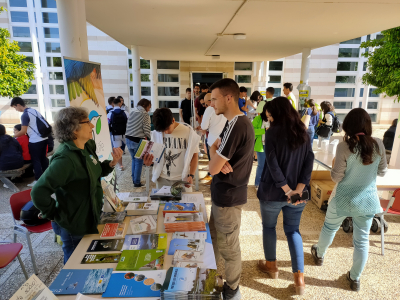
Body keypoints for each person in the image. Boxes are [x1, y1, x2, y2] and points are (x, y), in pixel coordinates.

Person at [31, 106, 123, 263]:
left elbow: (96, 171)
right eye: (87, 122)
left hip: (90, 218)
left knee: (88, 263)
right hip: (74, 226)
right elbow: (38, 192)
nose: (92, 126)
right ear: (74, 129)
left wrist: (113, 163)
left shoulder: (88, 146)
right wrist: (54, 213)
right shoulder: (65, 160)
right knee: (75, 268)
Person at [311, 108, 387, 292]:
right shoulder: (379, 145)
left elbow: (336, 178)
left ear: (347, 126)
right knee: (361, 241)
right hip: (367, 202)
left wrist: (337, 161)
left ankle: (319, 254)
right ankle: (355, 278)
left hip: (343, 199)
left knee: (330, 228)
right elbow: (382, 172)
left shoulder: (344, 146)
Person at [257, 97, 314, 296]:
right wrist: (298, 189)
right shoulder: (304, 133)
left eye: (270, 116)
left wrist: (286, 189)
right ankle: (299, 279)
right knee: (293, 231)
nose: (269, 120)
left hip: (272, 193)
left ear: (277, 114)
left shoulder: (271, 133)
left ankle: (271, 266)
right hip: (297, 196)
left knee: (269, 227)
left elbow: (272, 164)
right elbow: (309, 162)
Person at [208, 78, 255, 300]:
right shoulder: (232, 123)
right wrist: (215, 157)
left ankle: (233, 289)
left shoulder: (237, 124)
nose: (211, 103)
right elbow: (212, 149)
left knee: (229, 247)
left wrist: (215, 160)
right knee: (216, 239)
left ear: (229, 98)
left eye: (215, 99)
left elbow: (211, 167)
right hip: (223, 196)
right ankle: (215, 278)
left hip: (228, 197)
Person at [143, 108, 200, 191]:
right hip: (162, 178)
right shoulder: (157, 134)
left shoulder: (189, 132)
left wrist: (191, 175)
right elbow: (154, 156)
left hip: (182, 179)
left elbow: (195, 155)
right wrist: (149, 162)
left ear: (173, 120)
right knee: (162, 204)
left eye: (167, 129)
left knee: (182, 204)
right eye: (163, 131)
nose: (165, 132)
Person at [11, 97, 49, 186]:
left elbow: (23, 131)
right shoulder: (34, 111)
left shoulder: (25, 115)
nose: (16, 110)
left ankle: (38, 180)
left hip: (35, 140)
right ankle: (47, 177)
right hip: (44, 138)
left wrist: (12, 136)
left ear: (18, 105)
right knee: (43, 158)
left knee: (36, 160)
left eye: (15, 107)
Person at [200, 93, 227, 184]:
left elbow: (204, 126)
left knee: (213, 163)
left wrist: (206, 128)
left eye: (205, 104)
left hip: (212, 140)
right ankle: (219, 181)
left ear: (210, 101)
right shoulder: (225, 107)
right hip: (224, 139)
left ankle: (214, 181)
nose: (205, 106)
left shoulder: (209, 109)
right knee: (222, 163)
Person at [125, 98, 151, 187]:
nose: (149, 109)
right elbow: (147, 128)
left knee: (134, 160)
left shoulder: (133, 111)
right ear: (145, 106)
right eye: (149, 107)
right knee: (139, 161)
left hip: (128, 139)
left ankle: (134, 179)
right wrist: (150, 139)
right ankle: (136, 182)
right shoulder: (144, 114)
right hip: (138, 140)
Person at [107, 97, 128, 170]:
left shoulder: (110, 113)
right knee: (131, 149)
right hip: (125, 134)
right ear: (120, 104)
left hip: (115, 135)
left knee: (117, 150)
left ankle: (120, 166)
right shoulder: (125, 112)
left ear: (113, 104)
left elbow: (108, 123)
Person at [253, 106, 269, 189]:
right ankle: (257, 184)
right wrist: (264, 131)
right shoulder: (258, 118)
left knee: (271, 166)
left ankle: (267, 184)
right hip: (261, 145)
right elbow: (252, 130)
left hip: (271, 146)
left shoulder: (275, 118)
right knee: (261, 165)